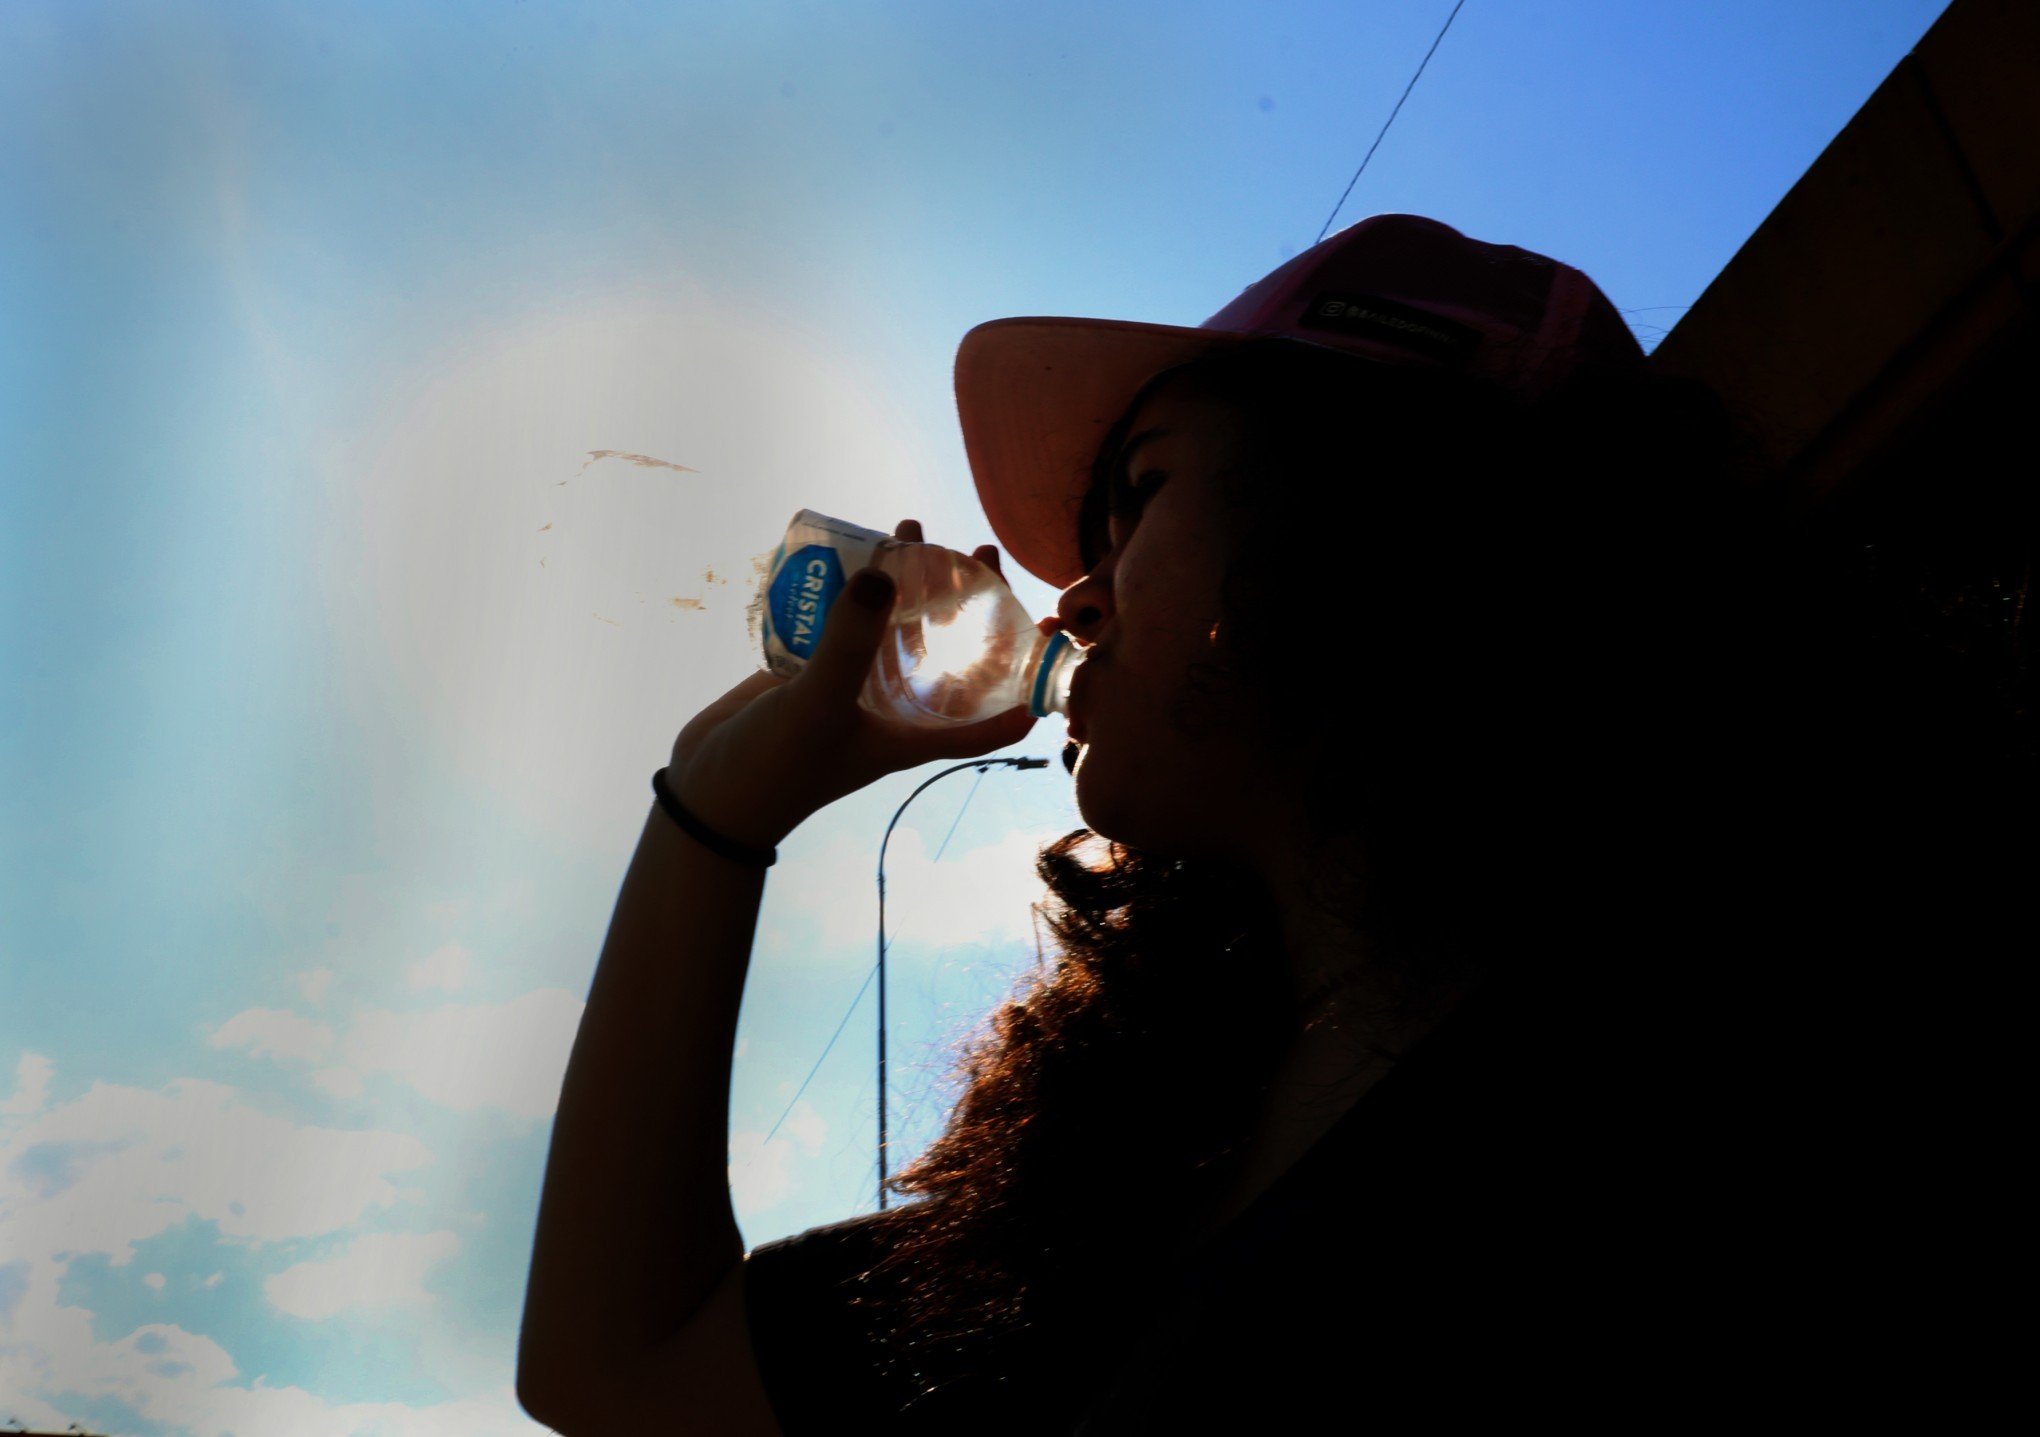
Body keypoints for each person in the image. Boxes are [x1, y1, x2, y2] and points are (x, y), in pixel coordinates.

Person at [515, 214, 2006, 1433]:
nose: (1077, 598)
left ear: (1390, 514)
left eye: (1140, 501)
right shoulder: (1105, 1195)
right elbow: (614, 1369)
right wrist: (719, 795)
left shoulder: (1778, 1037)